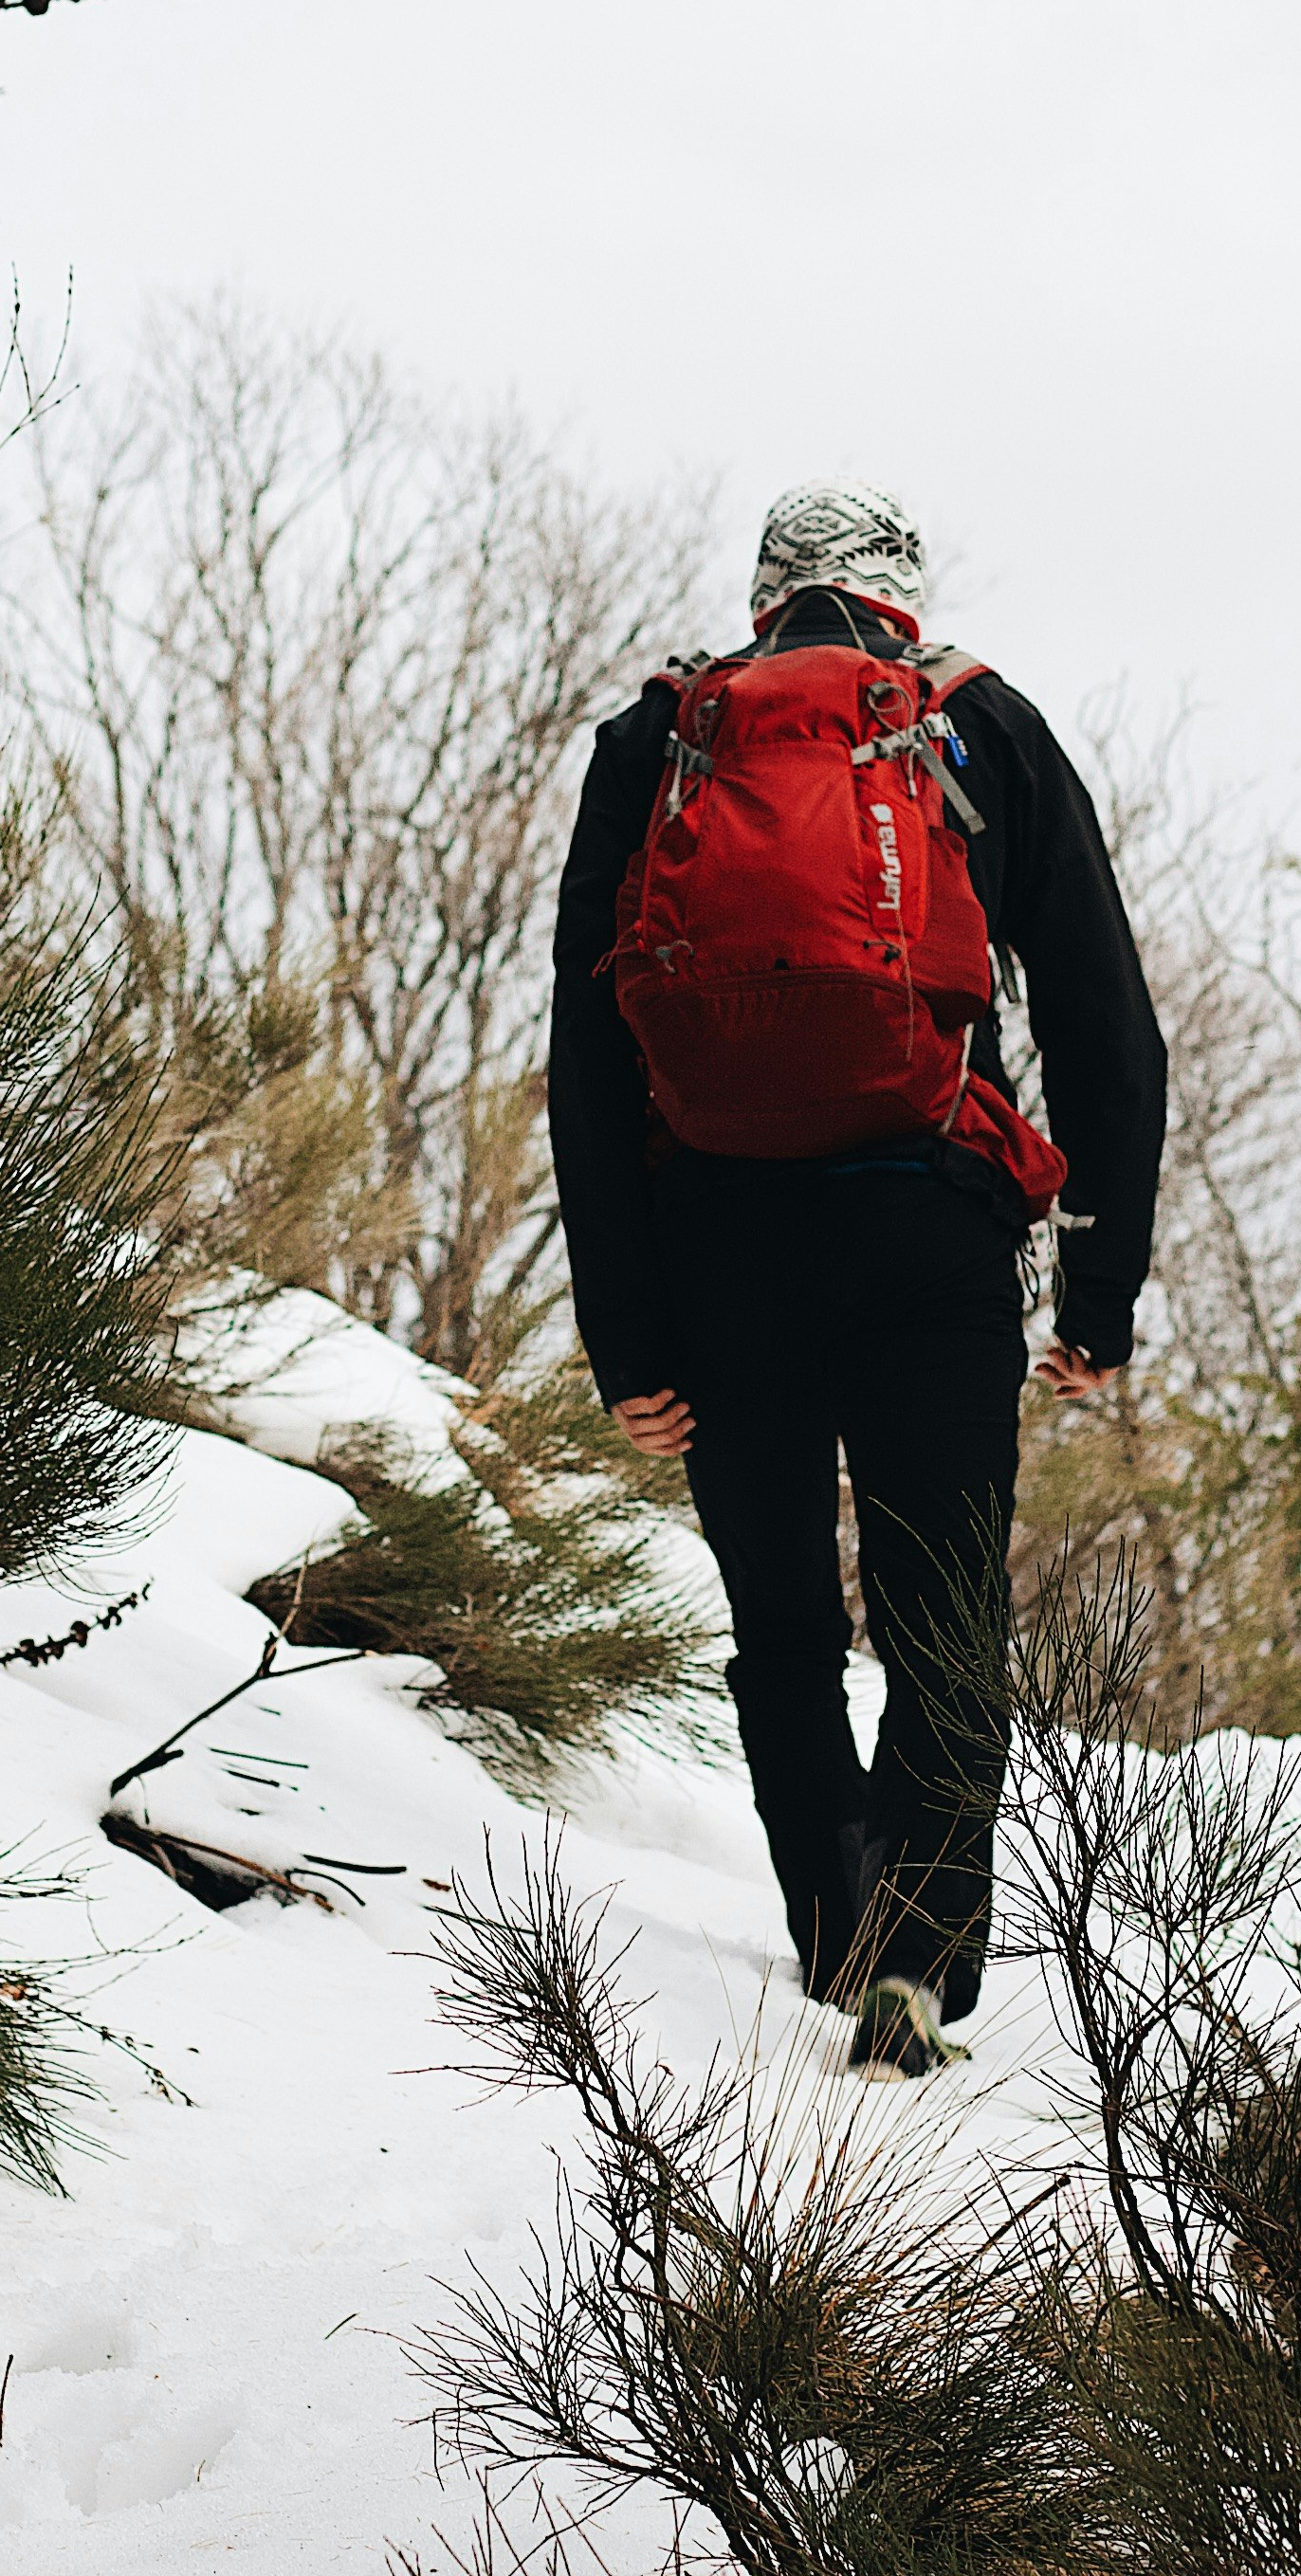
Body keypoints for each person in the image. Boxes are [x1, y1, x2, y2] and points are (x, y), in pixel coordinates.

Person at [547, 481, 1164, 2079]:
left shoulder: (659, 740)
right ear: (902, 595)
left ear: (765, 600)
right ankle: (922, 1970)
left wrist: (627, 1337)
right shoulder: (978, 727)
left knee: (781, 1623)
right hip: (930, 1233)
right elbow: (1108, 1035)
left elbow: (590, 1062)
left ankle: (837, 1934)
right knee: (943, 1613)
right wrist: (1099, 1301)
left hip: (719, 1245)